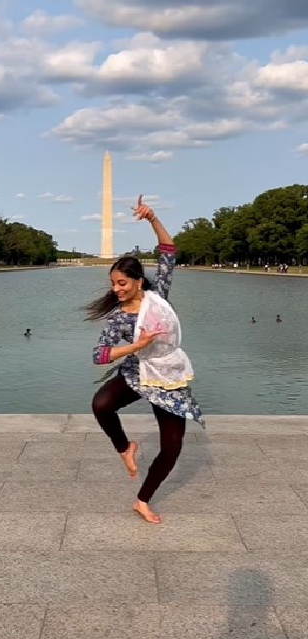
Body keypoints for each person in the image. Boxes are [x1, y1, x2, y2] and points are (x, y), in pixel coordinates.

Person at [86, 198, 203, 524]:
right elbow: (99, 355)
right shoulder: (119, 319)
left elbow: (168, 250)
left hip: (170, 375)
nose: (116, 289)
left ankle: (142, 500)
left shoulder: (158, 295)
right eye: (113, 284)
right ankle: (125, 448)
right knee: (101, 404)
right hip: (140, 370)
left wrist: (152, 217)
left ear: (139, 281)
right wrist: (135, 345)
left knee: (172, 447)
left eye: (121, 283)